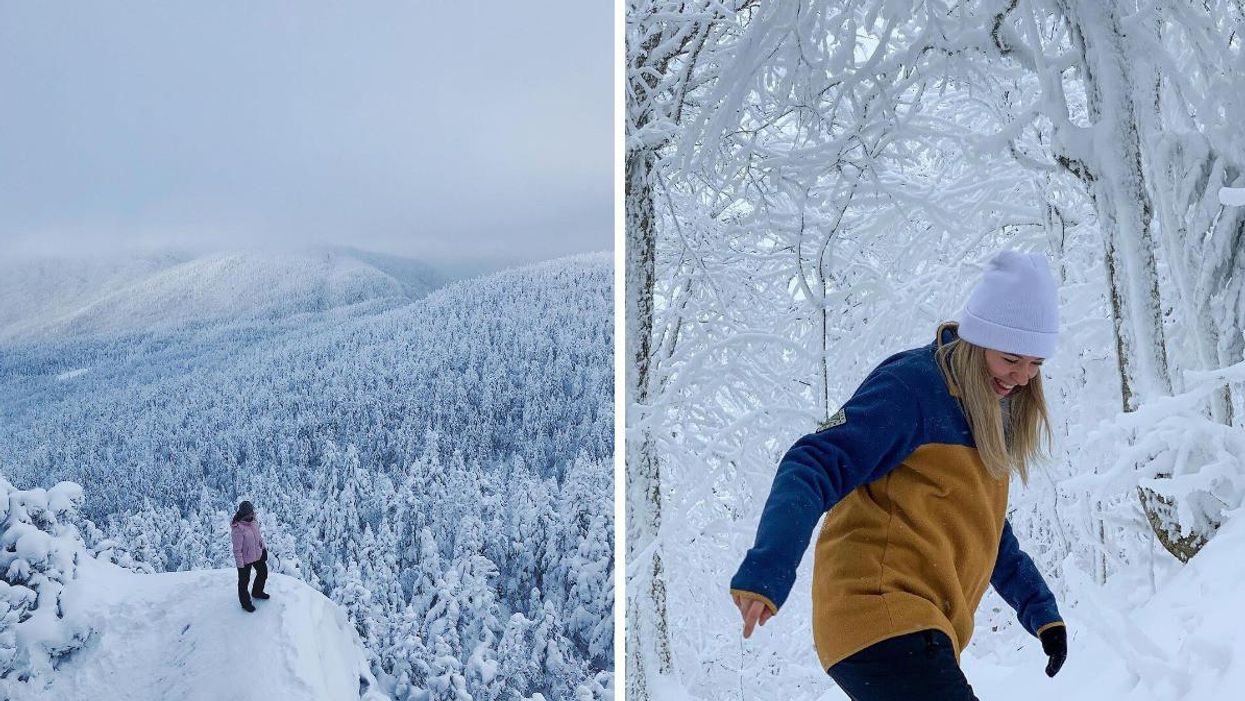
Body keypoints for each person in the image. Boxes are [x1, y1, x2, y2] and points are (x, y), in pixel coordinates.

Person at [729, 251, 1069, 700]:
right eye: (1011, 359)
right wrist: (768, 567)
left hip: (918, 626)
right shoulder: (914, 388)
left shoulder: (984, 413)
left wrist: (1041, 611)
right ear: (980, 339)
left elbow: (986, 530)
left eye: (1035, 365)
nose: (1022, 377)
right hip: (877, 610)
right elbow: (812, 462)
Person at [230, 500, 269, 612]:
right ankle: (245, 603)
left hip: (257, 554)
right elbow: (237, 550)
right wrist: (240, 566)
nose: (253, 514)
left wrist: (264, 549)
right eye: (251, 513)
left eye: (252, 512)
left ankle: (257, 592)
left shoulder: (253, 522)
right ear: (245, 514)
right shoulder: (237, 529)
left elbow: (259, 538)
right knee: (243, 582)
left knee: (263, 573)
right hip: (245, 560)